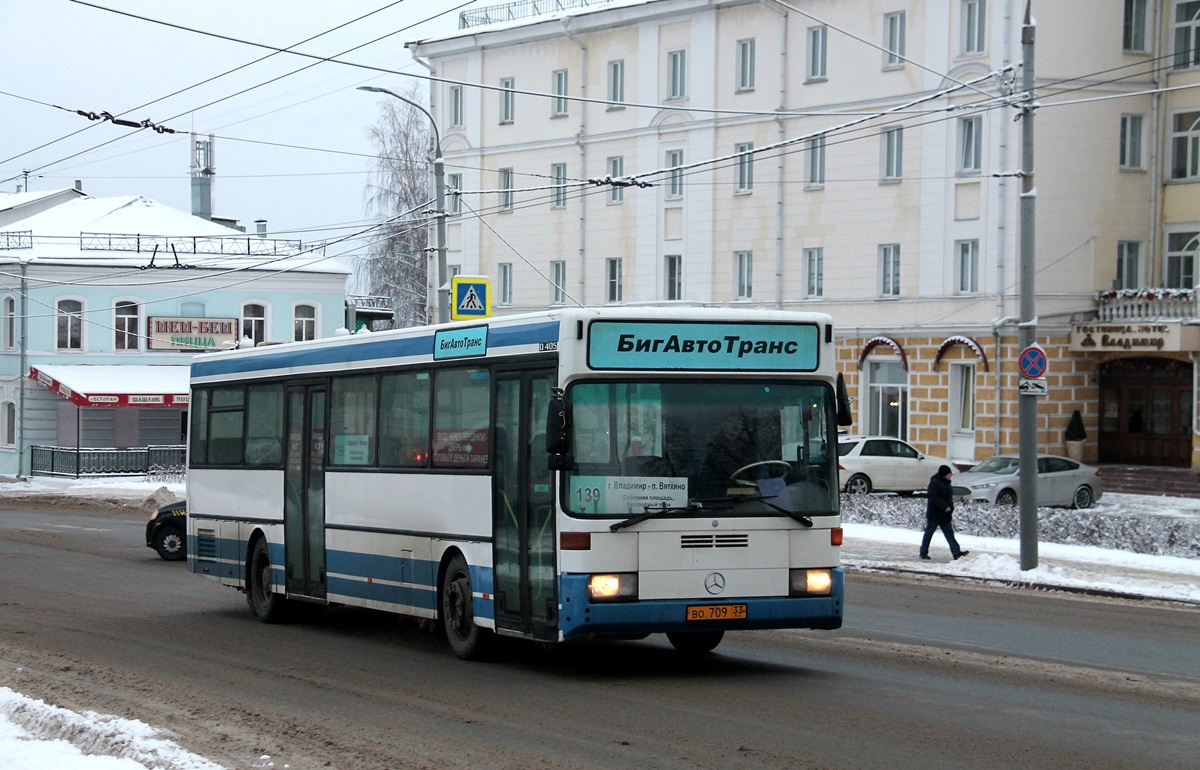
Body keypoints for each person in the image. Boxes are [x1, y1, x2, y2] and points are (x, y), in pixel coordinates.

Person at [920, 465, 969, 560]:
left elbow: (948, 497)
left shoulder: (946, 483)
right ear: (944, 474)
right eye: (949, 474)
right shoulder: (934, 483)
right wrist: (944, 506)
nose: (951, 476)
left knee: (949, 533)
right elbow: (934, 497)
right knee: (929, 533)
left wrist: (950, 507)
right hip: (935, 514)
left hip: (945, 515)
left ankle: (956, 552)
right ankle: (923, 552)